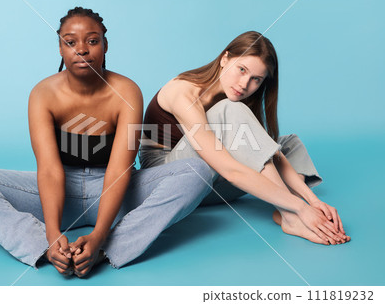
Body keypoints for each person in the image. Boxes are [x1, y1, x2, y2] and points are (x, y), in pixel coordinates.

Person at [0, 7, 214, 278]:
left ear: (105, 45)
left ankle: (109, 248)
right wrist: (52, 234)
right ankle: (47, 248)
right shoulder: (43, 93)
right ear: (60, 49)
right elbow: (49, 170)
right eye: (70, 42)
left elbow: (120, 169)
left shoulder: (126, 91)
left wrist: (98, 236)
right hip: (61, 193)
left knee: (198, 172)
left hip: (116, 194)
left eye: (92, 40)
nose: (82, 49)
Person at [140, 31, 350, 245]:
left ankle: (287, 207)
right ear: (224, 58)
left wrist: (313, 201)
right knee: (230, 111)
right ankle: (289, 214)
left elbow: (267, 153)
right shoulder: (183, 91)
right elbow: (230, 170)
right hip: (168, 179)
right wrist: (300, 208)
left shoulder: (231, 95)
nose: (244, 84)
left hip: (210, 184)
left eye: (255, 79)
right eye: (241, 70)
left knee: (286, 145)